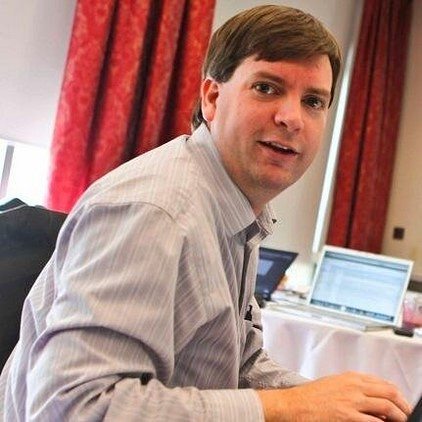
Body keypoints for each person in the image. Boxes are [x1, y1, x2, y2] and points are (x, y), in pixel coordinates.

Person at [0, 5, 411, 421]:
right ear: (212, 98)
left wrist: (337, 403)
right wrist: (292, 406)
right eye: (266, 88)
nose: (292, 119)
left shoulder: (235, 207)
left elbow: (239, 364)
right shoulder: (157, 213)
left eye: (313, 101)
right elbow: (74, 408)